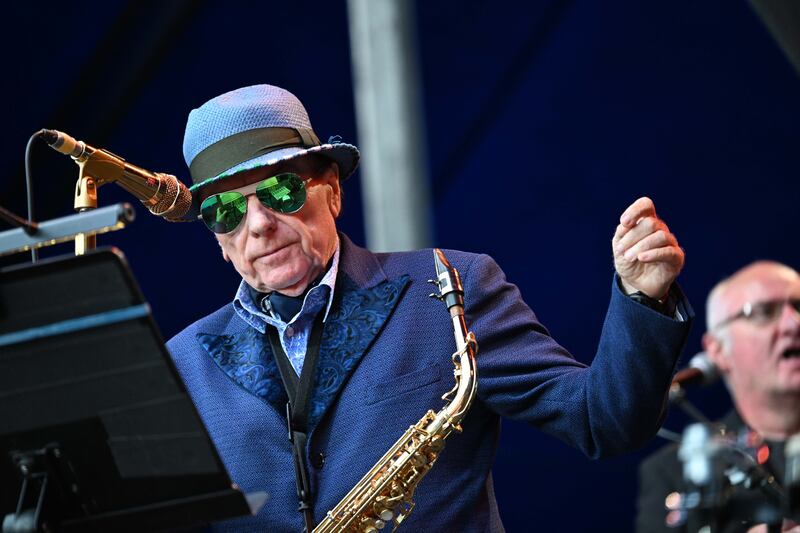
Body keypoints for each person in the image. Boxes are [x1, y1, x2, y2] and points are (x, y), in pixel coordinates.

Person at [167, 84, 692, 532]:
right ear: (217, 238)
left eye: (279, 191)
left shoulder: (450, 288)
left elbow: (602, 421)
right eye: (225, 210)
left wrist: (642, 297)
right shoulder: (179, 364)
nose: (257, 225)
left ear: (331, 192)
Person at [636, 261, 800, 532]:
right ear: (717, 350)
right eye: (764, 312)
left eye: (799, 307)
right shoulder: (672, 471)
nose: (793, 323)